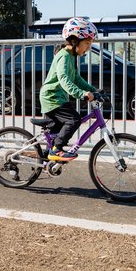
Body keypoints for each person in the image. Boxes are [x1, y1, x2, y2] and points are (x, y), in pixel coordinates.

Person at [39, 17, 99, 162]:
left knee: (56, 133)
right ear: (74, 40)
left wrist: (93, 90)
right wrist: (81, 94)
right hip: (52, 98)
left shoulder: (71, 57)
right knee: (74, 119)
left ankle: (47, 159)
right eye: (87, 43)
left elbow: (76, 79)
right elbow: (64, 79)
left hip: (58, 98)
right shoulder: (64, 56)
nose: (88, 47)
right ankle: (57, 150)